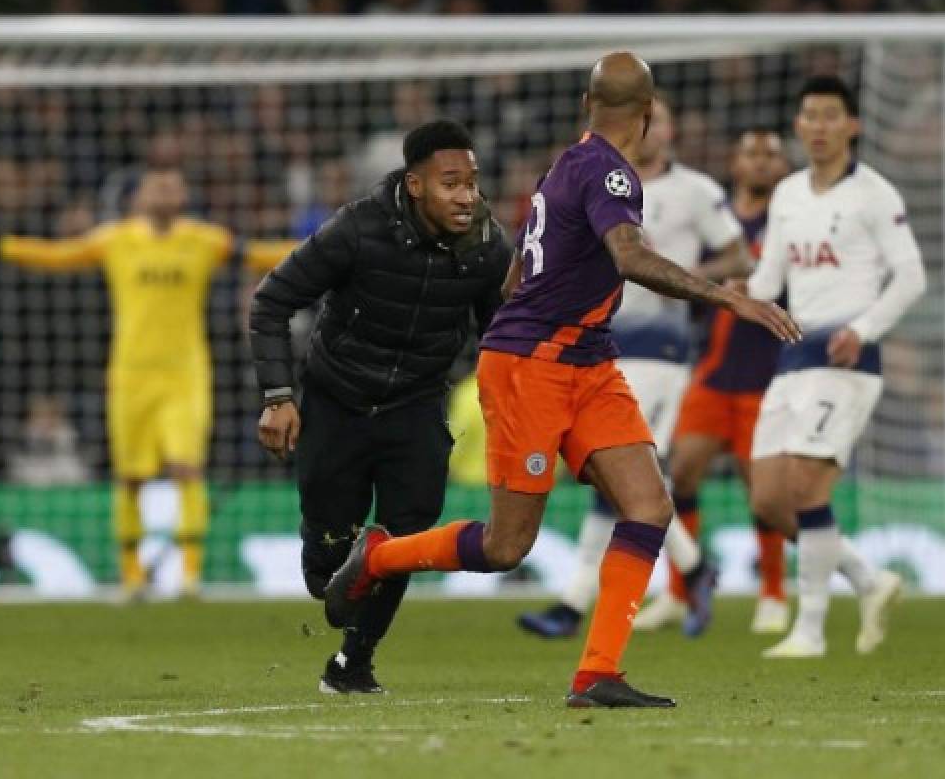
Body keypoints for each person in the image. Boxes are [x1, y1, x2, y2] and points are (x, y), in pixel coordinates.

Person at [321, 52, 800, 708]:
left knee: (649, 506)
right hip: (537, 366)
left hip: (587, 362)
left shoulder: (563, 167)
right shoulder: (611, 173)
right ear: (650, 112)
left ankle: (596, 674)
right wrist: (729, 298)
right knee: (506, 543)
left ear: (586, 103)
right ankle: (376, 557)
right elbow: (627, 257)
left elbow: (520, 269)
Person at [249, 119, 513, 694]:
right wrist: (278, 398)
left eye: (472, 182)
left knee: (406, 541)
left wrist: (512, 407)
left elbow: (500, 336)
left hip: (416, 404)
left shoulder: (491, 248)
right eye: (452, 183)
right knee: (328, 577)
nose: (467, 196)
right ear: (416, 186)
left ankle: (353, 665)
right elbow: (271, 303)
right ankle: (345, 563)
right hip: (336, 401)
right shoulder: (356, 229)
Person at [516, 95, 750, 641]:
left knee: (613, 469)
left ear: (667, 131)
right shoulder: (597, 179)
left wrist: (687, 273)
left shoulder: (695, 191)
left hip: (661, 348)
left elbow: (740, 258)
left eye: (660, 119)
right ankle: (692, 569)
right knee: (621, 477)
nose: (648, 128)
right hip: (601, 342)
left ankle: (575, 606)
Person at [745, 76, 926, 658]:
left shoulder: (875, 194)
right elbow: (770, 282)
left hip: (847, 360)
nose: (818, 127)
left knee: (804, 483)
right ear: (798, 127)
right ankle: (870, 580)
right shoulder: (787, 195)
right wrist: (726, 291)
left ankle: (811, 629)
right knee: (769, 501)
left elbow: (913, 277)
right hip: (793, 358)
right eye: (809, 116)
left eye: (830, 116)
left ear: (853, 125)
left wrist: (864, 329)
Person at [0, 168, 230, 600]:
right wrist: (0, 245)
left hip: (186, 376)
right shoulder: (114, 240)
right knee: (131, 478)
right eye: (154, 183)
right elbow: (57, 255)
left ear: (183, 194)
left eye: (172, 182)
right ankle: (131, 576)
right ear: (139, 196)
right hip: (129, 376)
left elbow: (262, 255)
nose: (163, 188)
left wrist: (330, 248)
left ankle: (190, 576)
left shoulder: (207, 240)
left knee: (186, 468)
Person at [641, 128, 792, 636]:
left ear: (783, 166)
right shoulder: (720, 221)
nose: (761, 161)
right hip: (711, 373)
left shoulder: (792, 223)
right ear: (736, 162)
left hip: (764, 377)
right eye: (751, 151)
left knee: (762, 494)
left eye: (770, 153)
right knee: (678, 476)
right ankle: (679, 593)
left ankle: (773, 594)